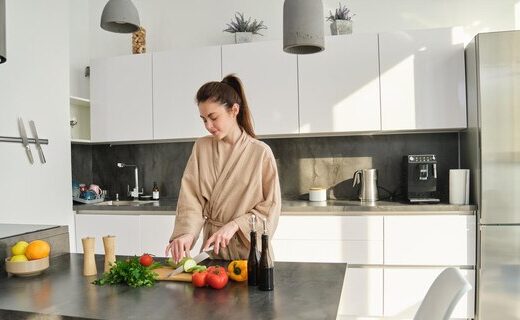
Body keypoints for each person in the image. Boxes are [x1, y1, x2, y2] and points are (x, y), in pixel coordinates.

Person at [165, 74, 281, 262]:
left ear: (234, 110)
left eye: (213, 117)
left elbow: (270, 209)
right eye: (203, 119)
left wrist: (235, 225)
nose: (208, 126)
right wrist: (187, 234)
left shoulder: (260, 153)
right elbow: (191, 199)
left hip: (251, 257)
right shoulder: (201, 147)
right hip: (214, 254)